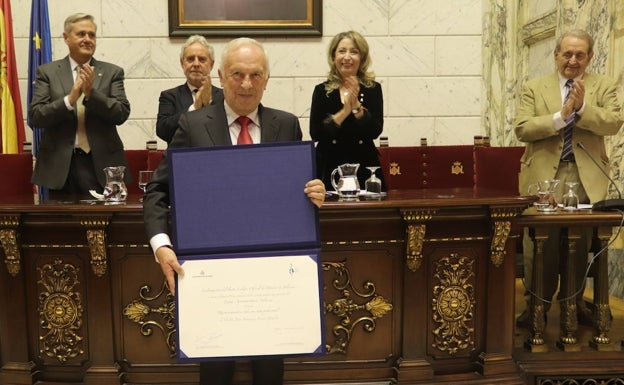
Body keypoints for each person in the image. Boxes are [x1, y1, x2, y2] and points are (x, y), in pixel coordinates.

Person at [143, 37, 326, 385]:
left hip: (271, 273)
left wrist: (314, 193)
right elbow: (158, 189)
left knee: (270, 367)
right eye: (238, 74)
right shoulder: (193, 125)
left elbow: (294, 193)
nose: (246, 84)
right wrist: (161, 245)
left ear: (267, 79)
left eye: (256, 75)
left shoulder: (286, 125)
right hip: (211, 273)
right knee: (215, 368)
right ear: (221, 77)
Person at [514, 29, 623, 327]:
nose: (572, 60)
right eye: (567, 54)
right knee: (541, 245)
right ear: (556, 55)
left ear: (589, 57)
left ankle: (573, 305)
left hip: (586, 174)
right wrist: (561, 116)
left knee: (580, 242)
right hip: (544, 176)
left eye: (579, 55)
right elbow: (522, 128)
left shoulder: (604, 85)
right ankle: (536, 306)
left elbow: (613, 123)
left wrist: (583, 108)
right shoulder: (534, 87)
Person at [29, 13, 131, 196]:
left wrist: (92, 94)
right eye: (81, 34)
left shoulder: (112, 72)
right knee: (62, 224)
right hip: (60, 167)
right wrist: (70, 99)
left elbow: (121, 113)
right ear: (66, 38)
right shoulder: (48, 72)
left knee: (106, 223)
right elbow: (36, 116)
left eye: (92, 35)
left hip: (102, 165)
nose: (87, 39)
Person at [309, 30, 385, 190]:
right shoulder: (322, 90)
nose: (347, 57)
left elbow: (375, 131)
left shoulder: (373, 89)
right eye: (342, 51)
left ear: (362, 58)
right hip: (329, 167)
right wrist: (344, 111)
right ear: (333, 56)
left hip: (364, 165)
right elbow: (316, 133)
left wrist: (356, 106)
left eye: (354, 52)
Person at [156, 35, 224, 143]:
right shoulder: (169, 96)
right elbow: (162, 131)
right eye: (190, 59)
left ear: (211, 64)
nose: (196, 64)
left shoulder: (224, 96)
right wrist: (194, 108)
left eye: (202, 59)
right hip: (182, 156)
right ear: (182, 63)